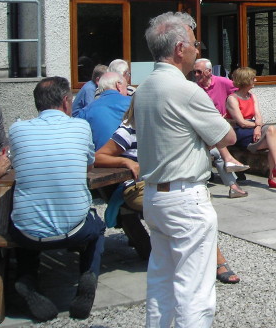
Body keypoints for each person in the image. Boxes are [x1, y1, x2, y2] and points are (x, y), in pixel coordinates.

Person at [133, 11, 236, 327]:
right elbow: (227, 136)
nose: (197, 50)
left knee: (161, 282)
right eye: (195, 44)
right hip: (185, 197)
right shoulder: (187, 90)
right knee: (195, 291)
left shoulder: (143, 88)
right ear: (180, 48)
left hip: (155, 197)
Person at [94, 118, 242, 284]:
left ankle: (192, 259)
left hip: (172, 181)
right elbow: (99, 156)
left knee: (193, 206)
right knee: (185, 208)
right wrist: (125, 161)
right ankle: (216, 260)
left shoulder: (170, 123)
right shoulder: (132, 125)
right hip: (141, 185)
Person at [8, 77, 105, 322]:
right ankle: (89, 273)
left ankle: (26, 279)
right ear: (65, 101)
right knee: (98, 228)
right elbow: (89, 165)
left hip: (28, 233)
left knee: (22, 219)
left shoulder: (17, 130)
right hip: (76, 230)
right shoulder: (80, 127)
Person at [193, 58, 250, 198]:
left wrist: (231, 111)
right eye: (194, 72)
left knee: (218, 148)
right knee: (218, 152)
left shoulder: (222, 82)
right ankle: (232, 180)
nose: (196, 75)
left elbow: (241, 93)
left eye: (199, 72)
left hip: (219, 128)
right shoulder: (194, 89)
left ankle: (233, 182)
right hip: (200, 132)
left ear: (209, 72)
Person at [225, 66, 276, 189]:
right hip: (240, 132)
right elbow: (241, 122)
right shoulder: (232, 99)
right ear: (245, 80)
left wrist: (258, 127)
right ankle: (275, 175)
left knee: (273, 136)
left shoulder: (252, 96)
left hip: (253, 128)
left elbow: (258, 116)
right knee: (275, 138)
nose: (255, 80)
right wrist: (258, 126)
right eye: (253, 78)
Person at [75, 71, 130, 151]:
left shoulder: (86, 111)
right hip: (131, 159)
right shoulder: (133, 104)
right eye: (126, 87)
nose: (127, 92)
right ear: (118, 85)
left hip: (100, 160)